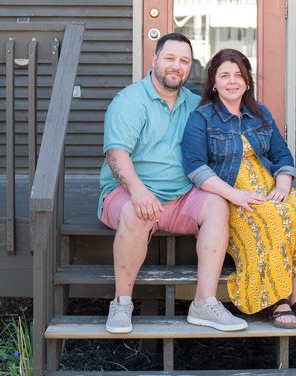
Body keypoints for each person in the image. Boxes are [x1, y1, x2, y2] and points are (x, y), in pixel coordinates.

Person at [97, 33, 247, 334]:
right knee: (135, 212)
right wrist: (138, 191)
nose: (176, 66)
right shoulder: (130, 100)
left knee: (217, 205)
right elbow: (116, 154)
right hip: (128, 193)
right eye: (170, 58)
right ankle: (122, 301)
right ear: (154, 60)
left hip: (180, 196)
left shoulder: (196, 104)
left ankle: (204, 303)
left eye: (184, 61)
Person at [181, 49, 296, 329]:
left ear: (247, 81)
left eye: (238, 75)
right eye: (224, 75)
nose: (232, 81)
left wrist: (284, 183)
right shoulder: (202, 118)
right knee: (270, 220)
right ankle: (278, 299)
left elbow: (282, 156)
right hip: (229, 193)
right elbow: (195, 167)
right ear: (213, 81)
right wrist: (234, 194)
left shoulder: (260, 113)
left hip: (268, 186)